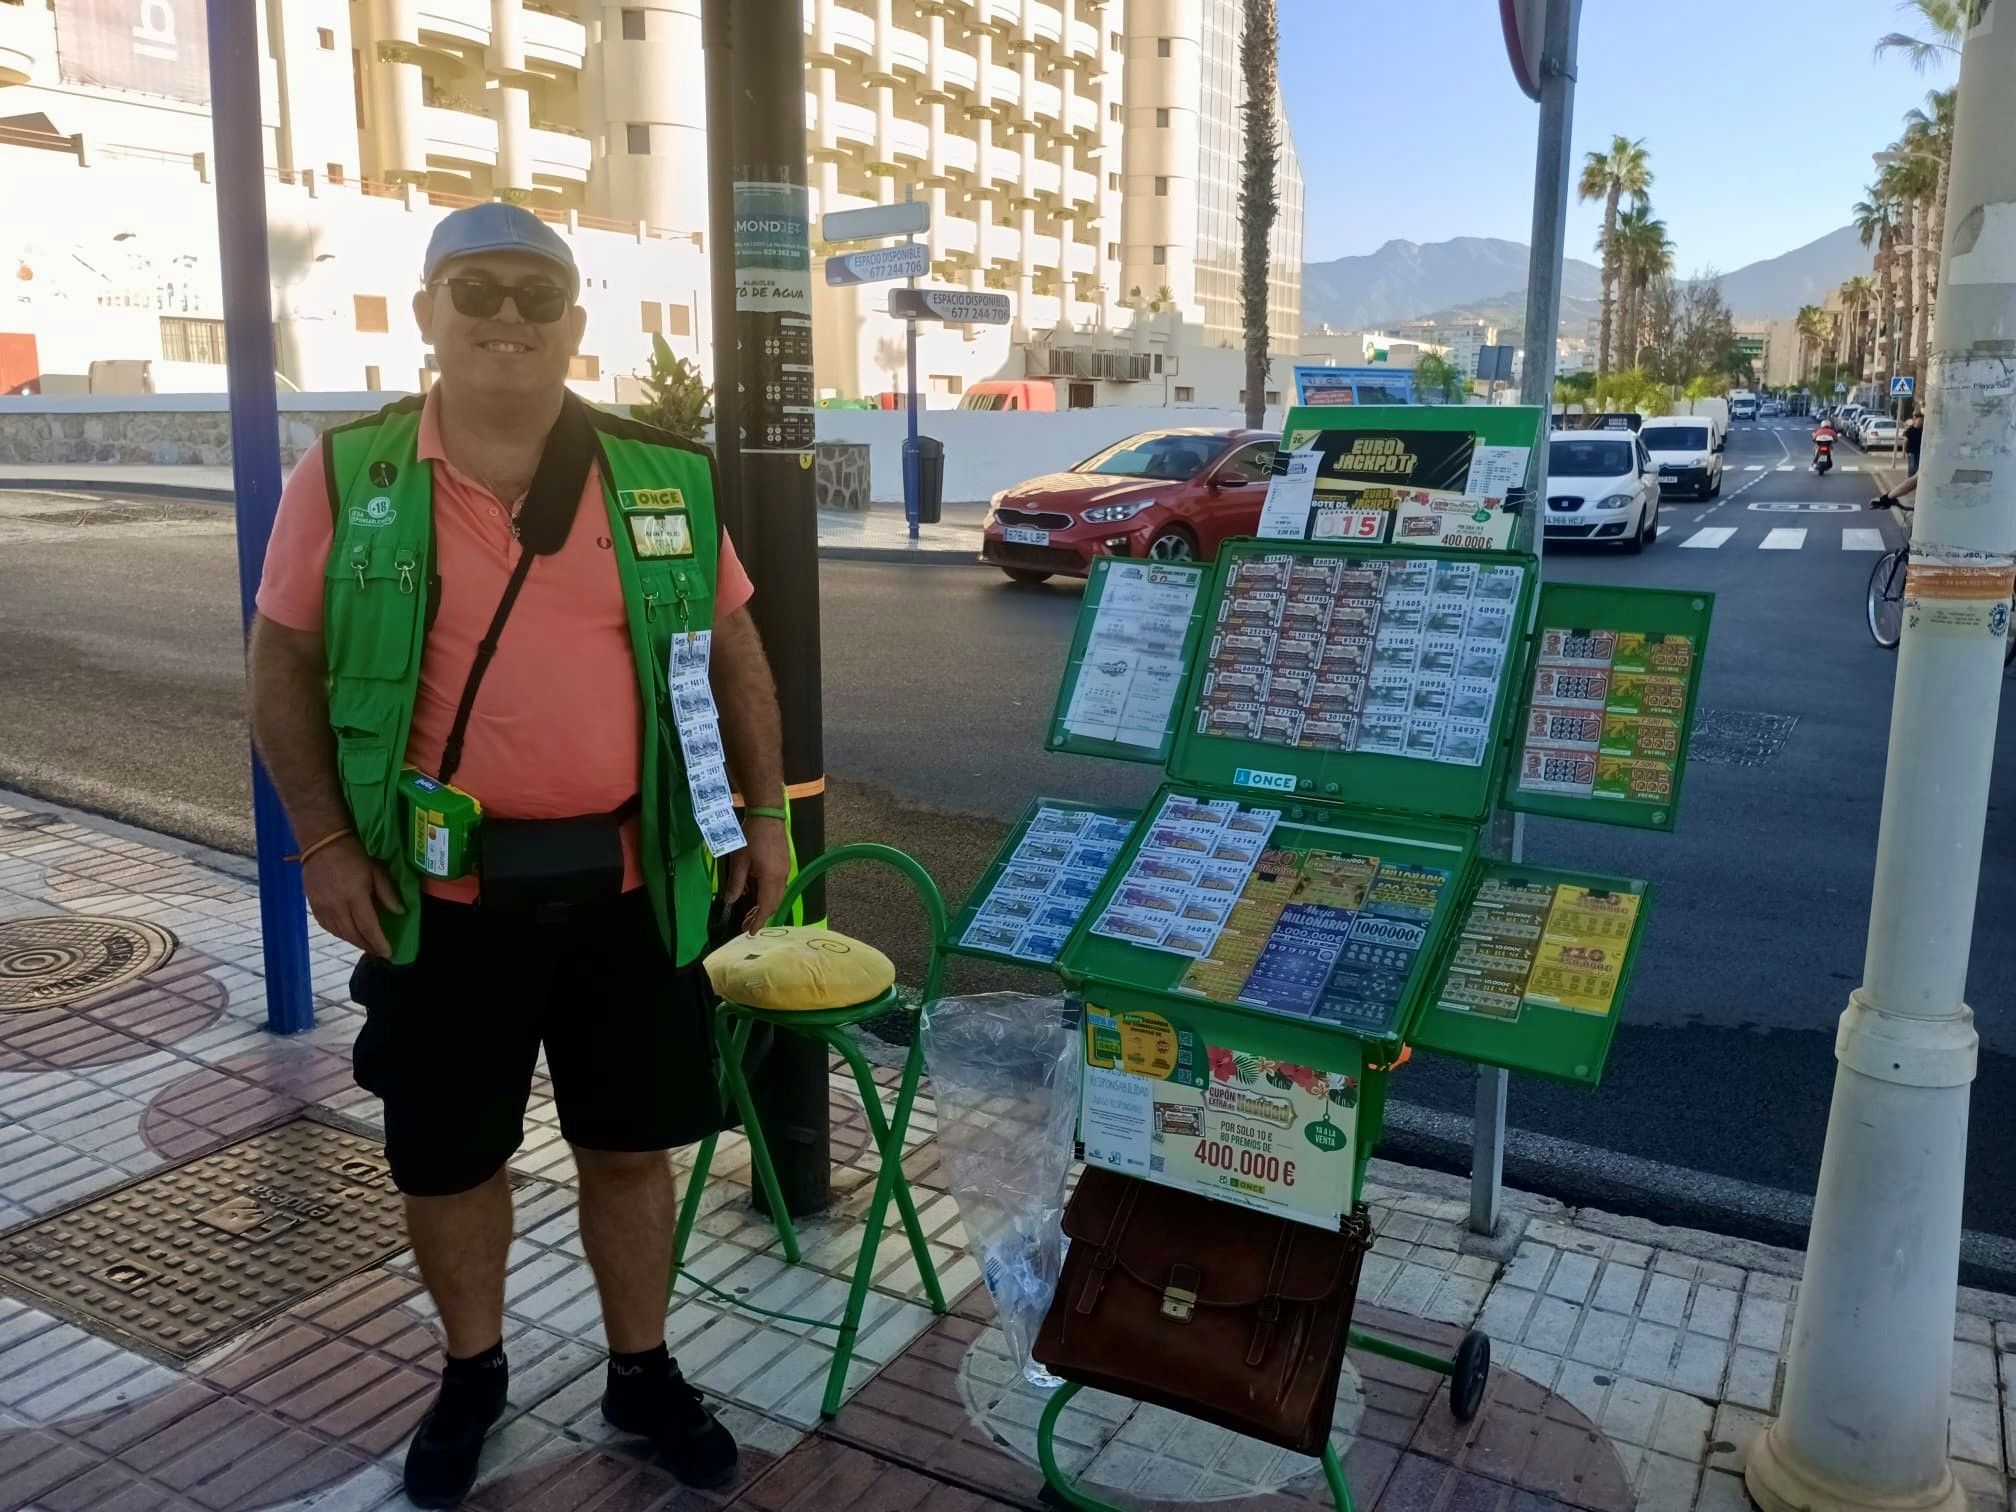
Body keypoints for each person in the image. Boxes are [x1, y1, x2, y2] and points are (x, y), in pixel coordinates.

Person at [248, 203, 791, 1507]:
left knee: (628, 1147)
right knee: (449, 1154)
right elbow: (282, 659)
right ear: (428, 312)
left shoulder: (660, 478)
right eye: (474, 290)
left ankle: (642, 1369)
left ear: (573, 325)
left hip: (626, 887)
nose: (505, 318)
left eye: (533, 295)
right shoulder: (351, 476)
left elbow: (735, 655)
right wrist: (321, 840)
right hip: (442, 899)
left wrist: (764, 818)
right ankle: (473, 1370)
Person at [1904, 410, 1924, 477]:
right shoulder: (1910, 430)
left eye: (1922, 421)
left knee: (1918, 468)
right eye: (1919, 420)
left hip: (1919, 452)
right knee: (1912, 467)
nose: (1920, 422)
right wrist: (1904, 452)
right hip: (1911, 452)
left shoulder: (1923, 430)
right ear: (1915, 420)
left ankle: (1914, 481)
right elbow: (1905, 441)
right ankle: (1910, 478)